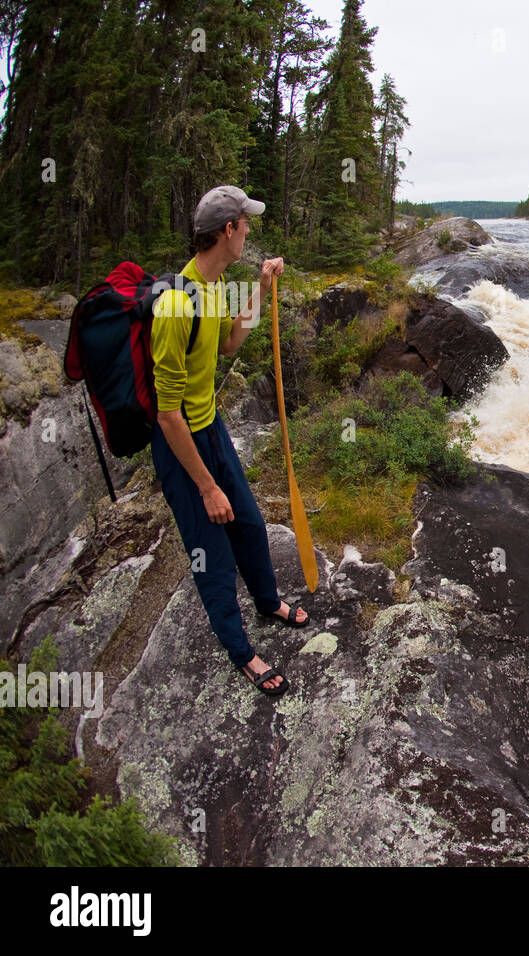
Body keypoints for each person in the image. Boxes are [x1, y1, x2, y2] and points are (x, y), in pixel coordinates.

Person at [150, 184, 305, 698]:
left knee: (251, 523)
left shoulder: (211, 289)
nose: (249, 232)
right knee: (210, 552)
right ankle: (243, 654)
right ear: (227, 231)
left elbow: (231, 343)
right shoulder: (175, 305)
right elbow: (168, 413)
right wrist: (206, 486)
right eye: (245, 223)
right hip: (181, 445)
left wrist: (261, 286)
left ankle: (267, 601)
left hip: (210, 426)